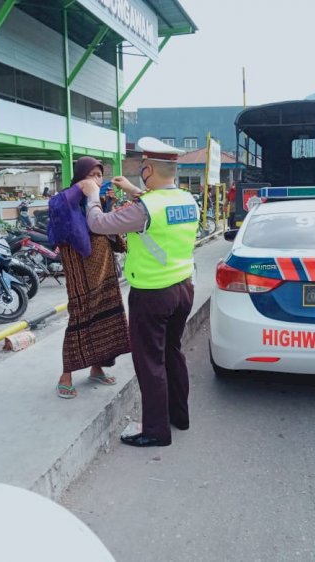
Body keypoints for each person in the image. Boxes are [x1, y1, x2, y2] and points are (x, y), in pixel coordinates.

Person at [82, 137, 197, 448]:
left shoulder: (146, 208)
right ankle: (179, 417)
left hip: (152, 294)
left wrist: (93, 195)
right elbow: (154, 206)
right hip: (184, 288)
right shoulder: (187, 200)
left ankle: (156, 431)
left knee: (150, 363)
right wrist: (132, 190)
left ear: (146, 169)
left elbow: (99, 223)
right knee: (173, 353)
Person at [49, 157, 131, 399]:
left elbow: (106, 228)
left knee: (107, 316)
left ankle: (97, 368)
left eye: (99, 174)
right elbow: (58, 211)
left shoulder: (99, 199)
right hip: (80, 273)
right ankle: (66, 375)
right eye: (91, 174)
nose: (96, 179)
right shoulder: (66, 197)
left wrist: (111, 208)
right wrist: (81, 189)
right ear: (80, 176)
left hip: (104, 269)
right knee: (81, 317)